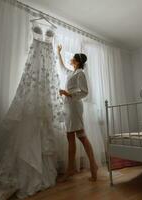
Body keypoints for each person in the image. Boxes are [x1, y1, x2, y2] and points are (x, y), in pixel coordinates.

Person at [57, 44, 98, 181]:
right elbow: (62, 67)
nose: (71, 59)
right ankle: (71, 169)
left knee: (81, 136)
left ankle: (92, 166)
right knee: (71, 138)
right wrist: (58, 52)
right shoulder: (72, 73)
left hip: (74, 107)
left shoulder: (80, 73)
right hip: (69, 107)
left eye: (73, 58)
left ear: (78, 61)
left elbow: (85, 92)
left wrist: (68, 93)